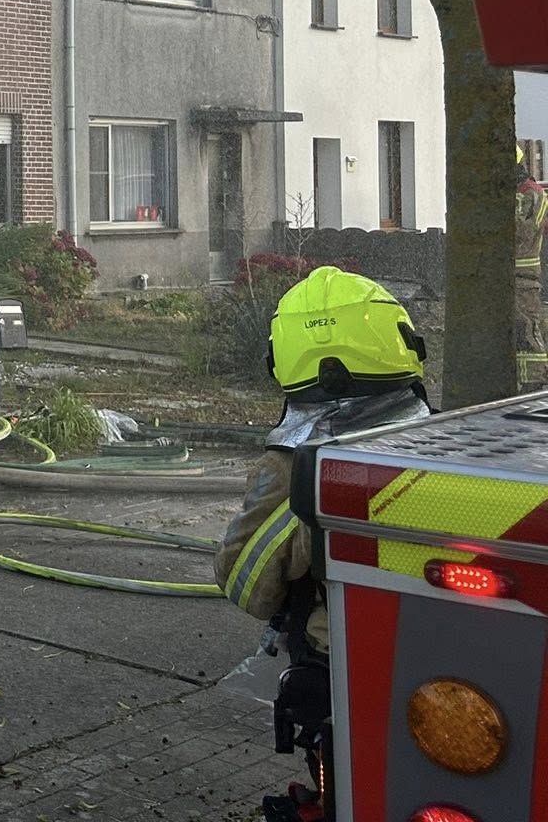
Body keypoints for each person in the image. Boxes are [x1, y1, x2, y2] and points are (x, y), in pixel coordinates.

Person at [214, 265, 430, 822]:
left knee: (352, 786)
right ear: (401, 343)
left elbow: (246, 583)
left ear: (283, 361)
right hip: (454, 651)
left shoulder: (298, 471)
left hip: (348, 665)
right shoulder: (445, 439)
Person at [517, 147, 547, 360]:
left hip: (523, 280)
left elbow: (521, 232)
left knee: (527, 335)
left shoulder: (531, 193)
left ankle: (534, 378)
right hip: (501, 278)